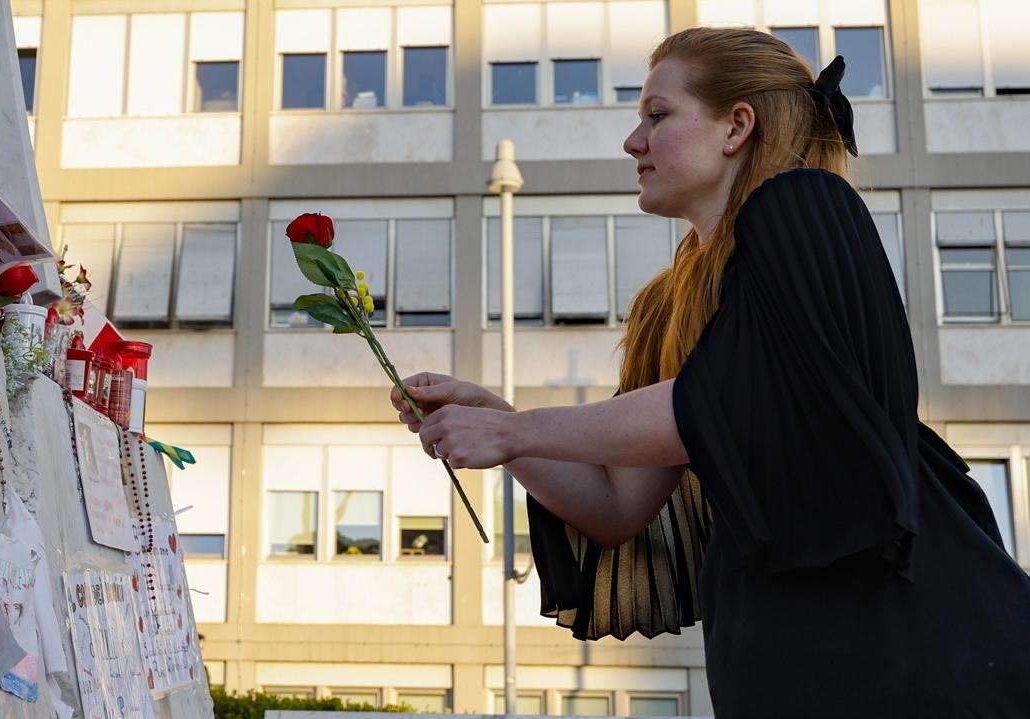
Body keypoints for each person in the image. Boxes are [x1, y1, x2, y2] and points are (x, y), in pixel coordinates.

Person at [391, 27, 1030, 717]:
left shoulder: (807, 205)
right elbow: (618, 505)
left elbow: (740, 397)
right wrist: (503, 421)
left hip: (911, 630)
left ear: (737, 126)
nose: (633, 142)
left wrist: (514, 433)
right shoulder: (665, 307)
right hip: (773, 644)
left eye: (656, 114)